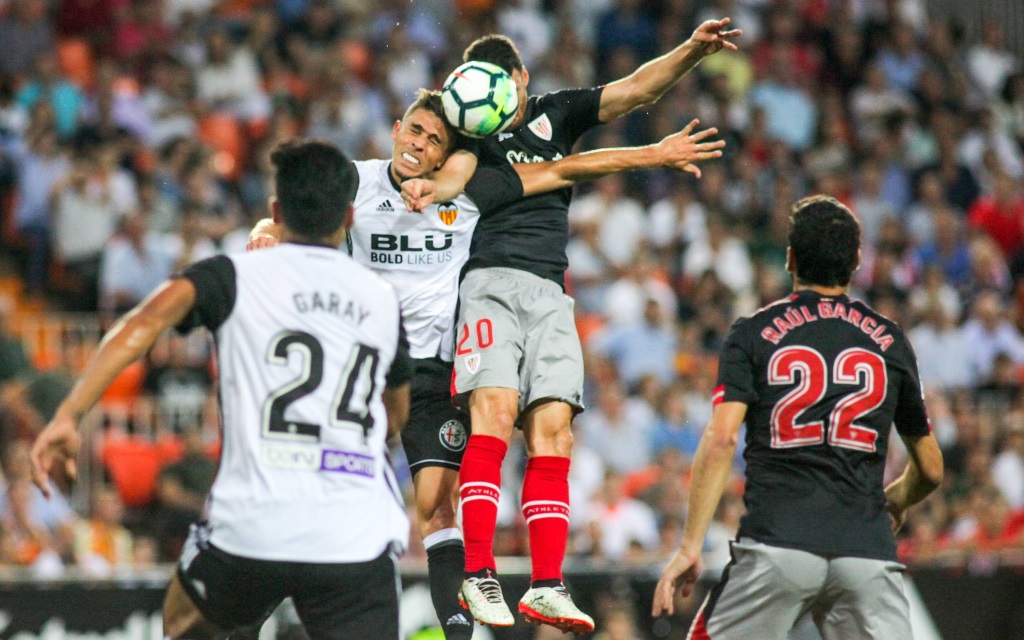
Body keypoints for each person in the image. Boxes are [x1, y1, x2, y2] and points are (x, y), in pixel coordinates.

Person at [248, 89, 724, 640]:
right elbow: (284, 219)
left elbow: (567, 167)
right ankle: (251, 615)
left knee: (436, 508)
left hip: (431, 374)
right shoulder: (357, 181)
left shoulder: (471, 192)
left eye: (434, 142)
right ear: (397, 128)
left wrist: (652, 154)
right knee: (315, 492)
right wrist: (263, 235)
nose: (419, 146)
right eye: (415, 132)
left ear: (446, 156)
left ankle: (462, 635)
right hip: (364, 368)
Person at [401, 20, 741, 633]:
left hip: (553, 293)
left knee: (553, 433)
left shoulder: (556, 114)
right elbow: (452, 177)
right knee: (496, 414)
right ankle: (478, 574)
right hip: (486, 283)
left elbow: (636, 89)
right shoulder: (467, 133)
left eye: (504, 87)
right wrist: (428, 184)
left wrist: (691, 50)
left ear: (522, 81)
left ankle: (547, 584)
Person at [29, 139, 414, 640]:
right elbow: (396, 416)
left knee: (182, 621)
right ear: (349, 216)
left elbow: (141, 324)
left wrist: (68, 414)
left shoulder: (233, 275)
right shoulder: (382, 299)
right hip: (353, 531)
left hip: (253, 525)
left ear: (276, 212)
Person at [651, 196, 945, 640]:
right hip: (866, 550)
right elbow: (931, 468)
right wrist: (895, 501)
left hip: (777, 544)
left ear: (791, 258)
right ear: (857, 262)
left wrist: (690, 545)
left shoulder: (751, 333)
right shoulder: (891, 342)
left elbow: (722, 439)